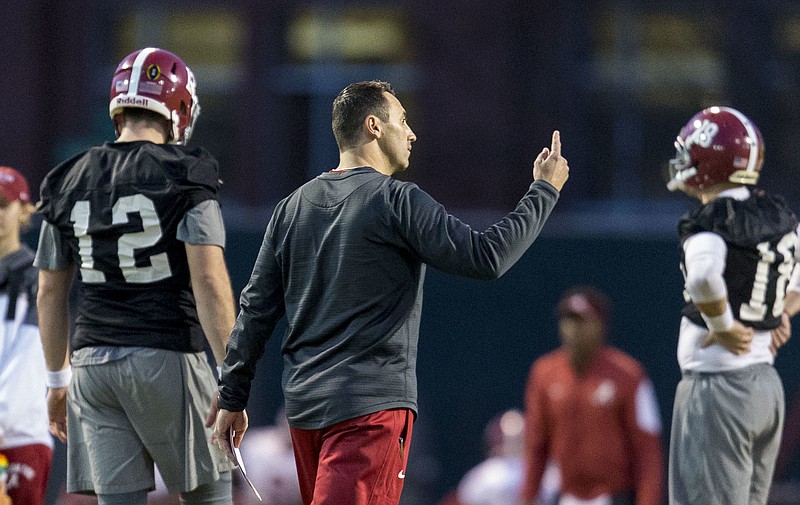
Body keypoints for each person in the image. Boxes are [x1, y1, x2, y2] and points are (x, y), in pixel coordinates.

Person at [211, 80, 570, 505]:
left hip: (305, 412)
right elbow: (486, 256)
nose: (412, 133)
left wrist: (232, 395)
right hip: (367, 412)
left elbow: (256, 310)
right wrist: (543, 191)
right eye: (402, 120)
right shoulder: (396, 200)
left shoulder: (291, 207)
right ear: (374, 126)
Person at [35, 47, 237, 505]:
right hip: (167, 355)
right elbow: (208, 281)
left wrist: (56, 381)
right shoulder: (187, 172)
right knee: (209, 497)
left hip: (92, 367)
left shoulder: (65, 179)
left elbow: (50, 291)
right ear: (180, 108)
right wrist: (232, 377)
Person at [665, 106, 797, 505]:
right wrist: (780, 312)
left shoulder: (713, 221)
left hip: (719, 389)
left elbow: (704, 276)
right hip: (766, 388)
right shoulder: (775, 212)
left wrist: (721, 323)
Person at [521, 286, 664, 505]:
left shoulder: (628, 374)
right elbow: (536, 445)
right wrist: (528, 497)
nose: (573, 329)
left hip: (615, 496)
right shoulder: (544, 374)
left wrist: (647, 501)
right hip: (566, 496)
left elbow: (647, 449)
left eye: (582, 321)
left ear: (600, 325)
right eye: (568, 321)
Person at [0, 166, 53, 505]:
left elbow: (29, 363)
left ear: (24, 210)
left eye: (3, 206)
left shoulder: (36, 278)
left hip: (19, 437)